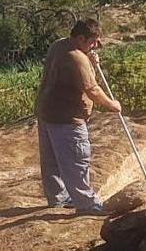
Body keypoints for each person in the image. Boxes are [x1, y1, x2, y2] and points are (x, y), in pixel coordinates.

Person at [34, 18, 122, 213]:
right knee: (76, 160)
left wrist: (89, 58)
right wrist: (111, 104)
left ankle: (58, 199)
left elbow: (74, 72)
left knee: (52, 161)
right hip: (67, 119)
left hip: (46, 112)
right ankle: (86, 204)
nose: (96, 46)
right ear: (81, 38)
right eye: (92, 42)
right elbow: (92, 89)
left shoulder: (59, 45)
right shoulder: (76, 57)